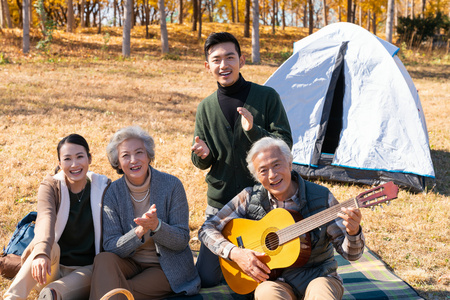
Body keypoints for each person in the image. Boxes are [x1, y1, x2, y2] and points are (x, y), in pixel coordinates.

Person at [198, 136, 365, 300]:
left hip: (318, 276)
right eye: (263, 170)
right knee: (266, 294)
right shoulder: (249, 197)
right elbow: (207, 229)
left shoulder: (322, 198)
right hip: (273, 281)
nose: (272, 175)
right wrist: (235, 253)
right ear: (256, 176)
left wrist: (353, 232)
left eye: (277, 165)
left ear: (290, 163)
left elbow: (352, 255)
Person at [191, 31, 293, 287]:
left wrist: (253, 131)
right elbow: (203, 160)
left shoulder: (267, 96)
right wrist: (202, 155)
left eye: (229, 57)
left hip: (260, 200)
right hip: (221, 202)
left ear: (241, 60)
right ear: (208, 66)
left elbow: (285, 144)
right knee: (207, 277)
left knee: (269, 271)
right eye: (216, 60)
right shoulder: (205, 107)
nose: (223, 65)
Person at [89, 126, 200, 300]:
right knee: (103, 260)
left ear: (148, 155)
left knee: (116, 292)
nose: (133, 160)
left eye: (139, 152)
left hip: (165, 268)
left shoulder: (172, 186)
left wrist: (157, 226)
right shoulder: (112, 192)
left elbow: (181, 240)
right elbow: (111, 245)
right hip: (129, 263)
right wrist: (138, 232)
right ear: (117, 162)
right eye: (125, 155)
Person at [3, 134, 111, 300]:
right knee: (50, 246)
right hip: (50, 266)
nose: (74, 164)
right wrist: (41, 253)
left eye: (80, 157)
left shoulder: (103, 187)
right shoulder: (52, 186)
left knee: (52, 292)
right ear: (60, 163)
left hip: (86, 271)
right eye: (67, 159)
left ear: (89, 158)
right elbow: (45, 218)